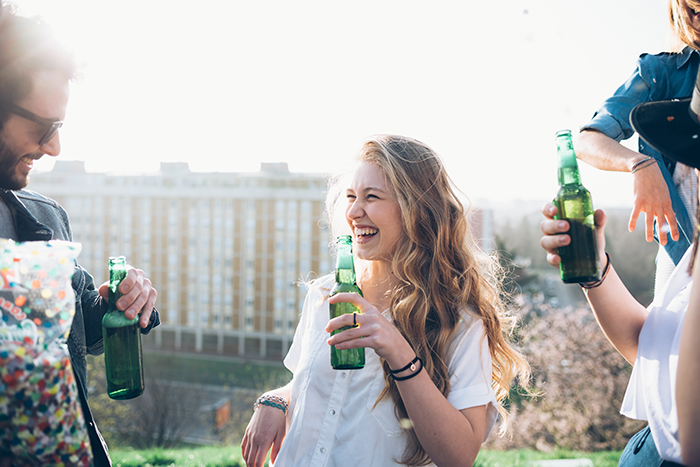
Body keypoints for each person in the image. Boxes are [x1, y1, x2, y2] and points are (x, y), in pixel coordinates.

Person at [241, 135, 529, 467]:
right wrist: (276, 399)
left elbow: (460, 456)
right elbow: (319, 386)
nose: (353, 211)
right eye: (350, 197)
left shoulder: (460, 321)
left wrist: (397, 350)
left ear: (416, 210)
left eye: (371, 197)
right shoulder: (324, 296)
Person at [0, 5, 159, 465]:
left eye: (60, 127)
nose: (54, 147)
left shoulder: (43, 219)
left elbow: (81, 330)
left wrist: (121, 300)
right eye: (43, 127)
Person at [540, 64, 700, 466]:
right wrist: (595, 273)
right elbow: (653, 349)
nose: (688, 176)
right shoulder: (693, 253)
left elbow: (690, 439)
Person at [575, 0, 700, 295]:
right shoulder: (660, 73)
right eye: (692, 8)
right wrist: (641, 164)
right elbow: (588, 140)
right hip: (682, 260)